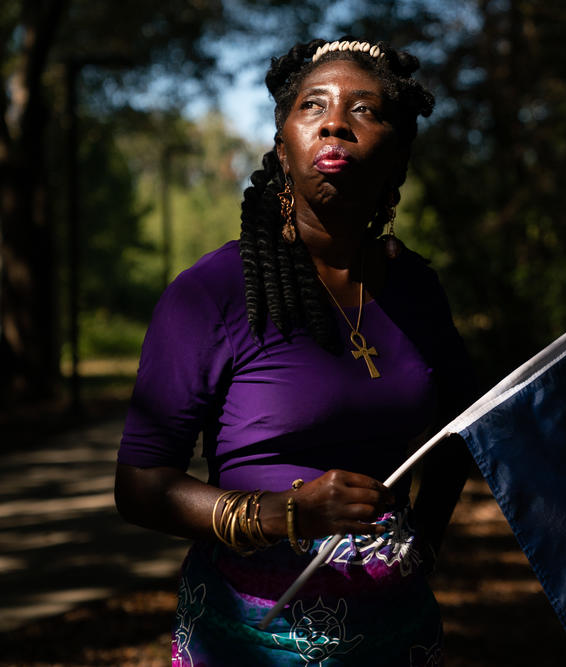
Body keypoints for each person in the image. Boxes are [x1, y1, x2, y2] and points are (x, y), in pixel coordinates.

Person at [115, 37, 476, 666]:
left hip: (398, 632)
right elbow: (141, 486)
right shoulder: (212, 293)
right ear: (283, 148)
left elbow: (460, 432)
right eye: (314, 106)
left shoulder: (415, 288)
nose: (336, 121)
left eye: (365, 110)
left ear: (398, 160)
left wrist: (426, 543)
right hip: (250, 634)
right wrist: (285, 514)